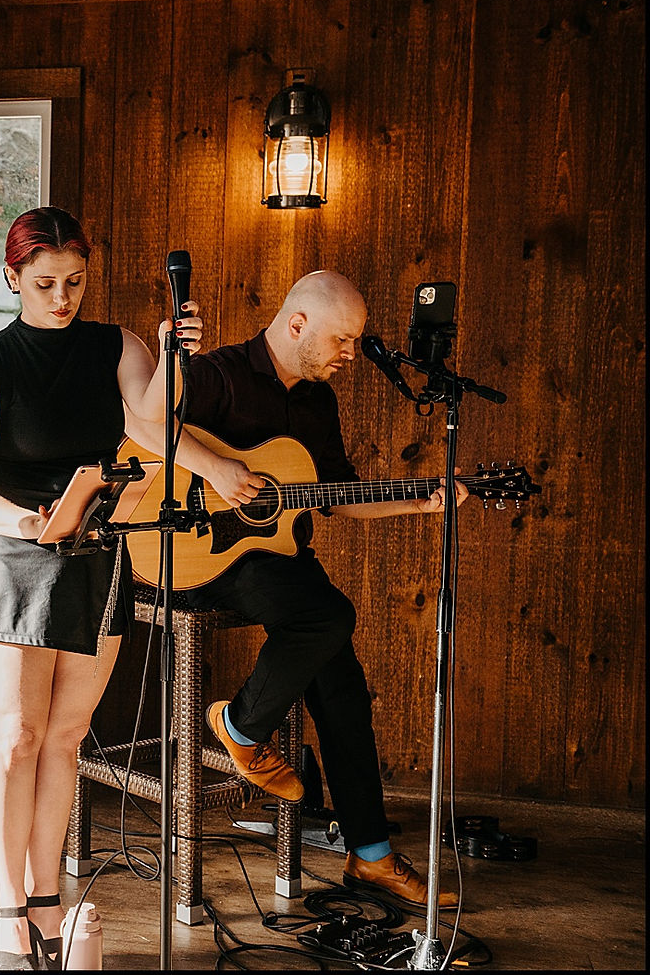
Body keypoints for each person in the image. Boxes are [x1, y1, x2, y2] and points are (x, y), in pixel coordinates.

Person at [0, 206, 203, 970]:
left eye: (76, 282)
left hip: (98, 550)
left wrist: (173, 357)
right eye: (46, 283)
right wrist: (33, 523)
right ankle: (7, 910)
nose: (63, 298)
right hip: (15, 554)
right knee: (16, 737)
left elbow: (153, 424)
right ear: (13, 278)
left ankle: (47, 900)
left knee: (64, 737)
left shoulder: (116, 345)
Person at [176, 269, 466, 909]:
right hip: (198, 558)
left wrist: (420, 502)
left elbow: (339, 495)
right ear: (297, 324)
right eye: (342, 339)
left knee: (343, 688)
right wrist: (217, 470)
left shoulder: (317, 403)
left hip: (278, 559)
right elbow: (146, 434)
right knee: (329, 616)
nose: (350, 354)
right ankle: (240, 726)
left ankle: (370, 855)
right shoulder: (218, 375)